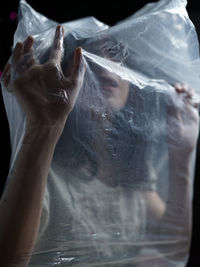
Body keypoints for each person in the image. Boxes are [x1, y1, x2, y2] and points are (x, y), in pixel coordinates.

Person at [0, 25, 199, 266]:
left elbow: (171, 251)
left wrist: (183, 153)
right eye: (89, 52)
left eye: (115, 52)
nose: (104, 62)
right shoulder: (48, 170)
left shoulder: (131, 176)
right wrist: (45, 125)